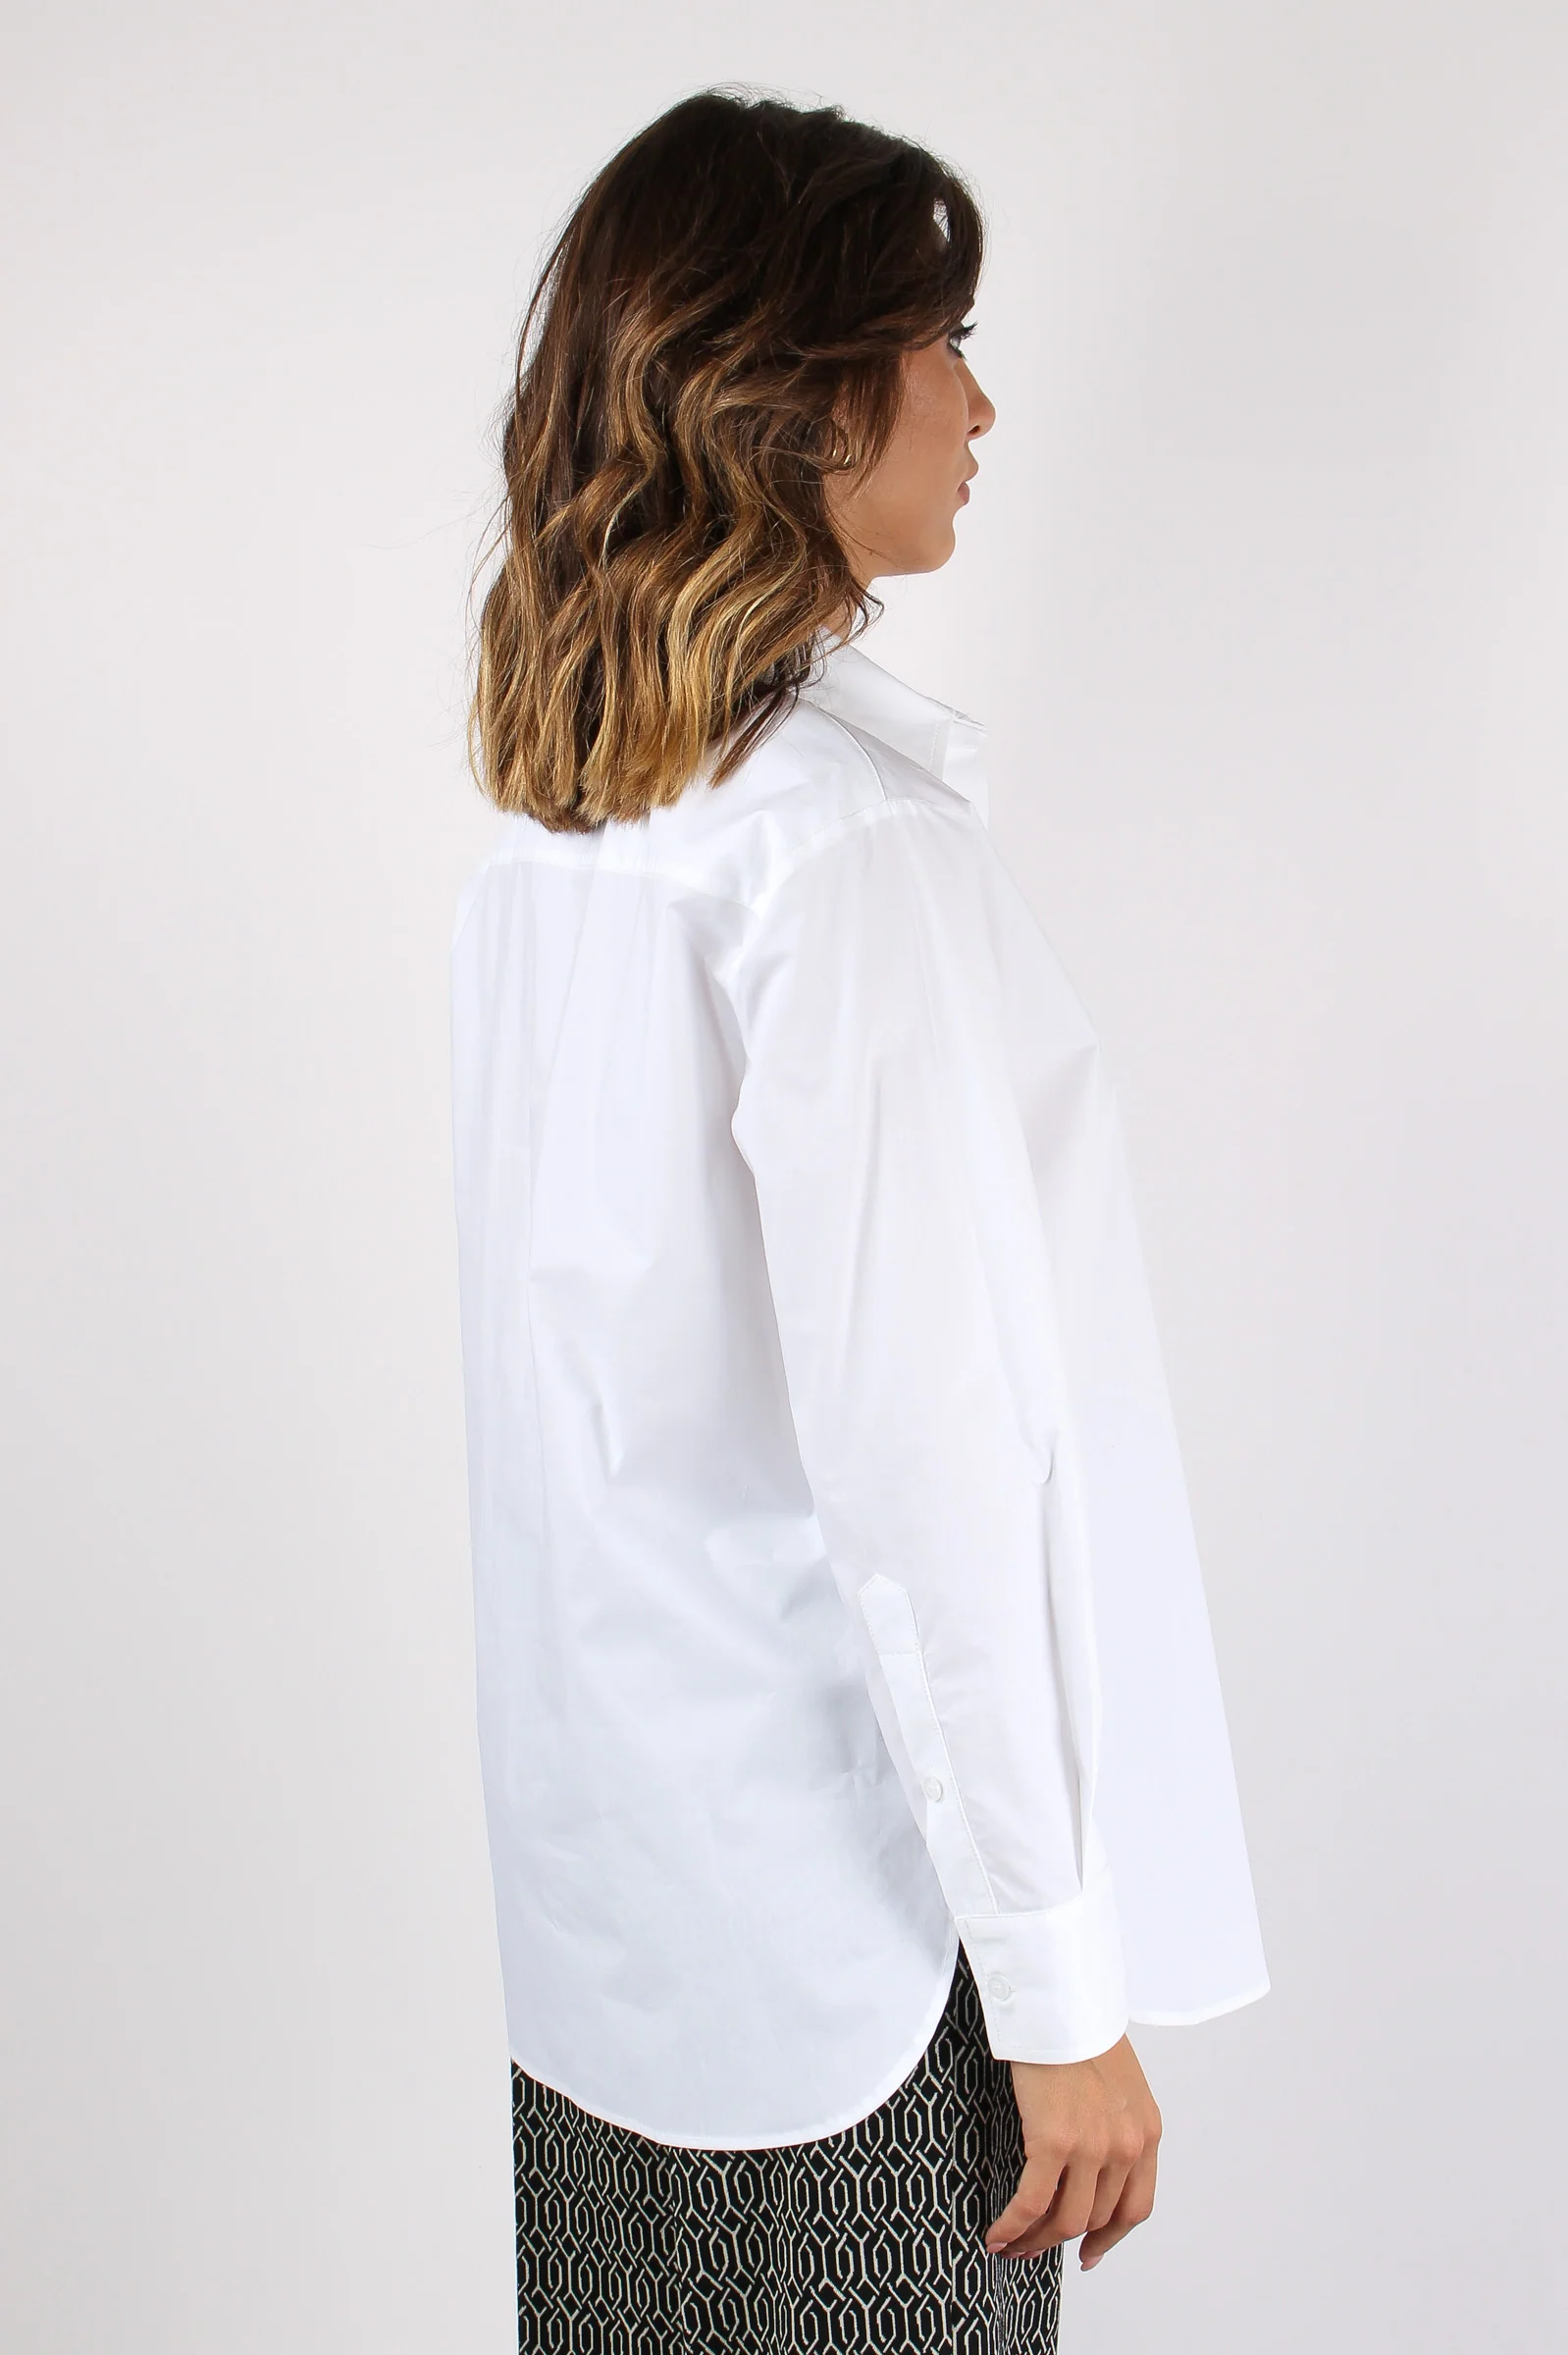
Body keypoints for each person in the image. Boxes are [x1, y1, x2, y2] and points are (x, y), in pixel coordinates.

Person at [450, 86, 1269, 2355]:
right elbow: (931, 1469)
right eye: (941, 343)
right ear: (798, 393)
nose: (978, 407)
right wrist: (1060, 1993)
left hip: (618, 1959)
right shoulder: (835, 851)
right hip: (858, 1983)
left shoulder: (561, 841)